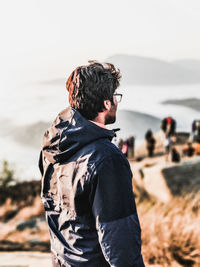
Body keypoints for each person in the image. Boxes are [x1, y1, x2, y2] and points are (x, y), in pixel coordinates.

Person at [39, 61, 144, 267]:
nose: (116, 102)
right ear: (106, 104)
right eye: (115, 97)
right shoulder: (107, 159)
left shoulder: (52, 147)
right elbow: (119, 242)